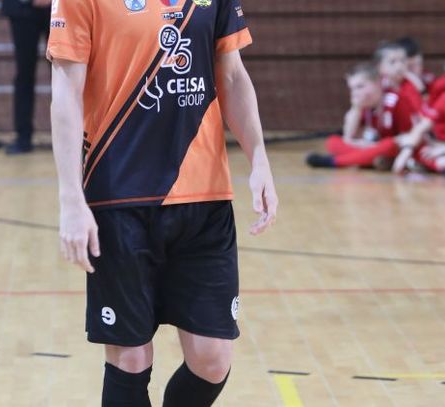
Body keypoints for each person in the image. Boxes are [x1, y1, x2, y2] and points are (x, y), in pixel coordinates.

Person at [47, 0, 278, 406]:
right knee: (130, 358)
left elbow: (232, 74)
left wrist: (258, 157)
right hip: (119, 196)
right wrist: (71, 198)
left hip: (206, 196)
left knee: (212, 360)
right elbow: (66, 91)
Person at [306, 62, 418, 169]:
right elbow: (348, 137)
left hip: (399, 149)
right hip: (375, 150)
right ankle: (368, 160)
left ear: (377, 82)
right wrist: (356, 108)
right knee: (332, 142)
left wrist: (373, 146)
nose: (355, 93)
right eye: (352, 89)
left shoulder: (395, 100)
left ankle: (334, 162)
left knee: (389, 145)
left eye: (360, 86)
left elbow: (407, 137)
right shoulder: (364, 105)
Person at [1, 0, 52, 154]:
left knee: (65, 76)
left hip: (59, 9)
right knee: (24, 74)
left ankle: (72, 137)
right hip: (21, 8)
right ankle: (23, 138)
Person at [392, 91, 445, 175]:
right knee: (417, 147)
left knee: (442, 162)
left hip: (443, 150)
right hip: (439, 145)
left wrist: (442, 150)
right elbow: (422, 126)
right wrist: (407, 150)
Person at [374, 41, 423, 111]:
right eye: (392, 62)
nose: (399, 66)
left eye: (403, 61)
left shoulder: (411, 84)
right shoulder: (375, 87)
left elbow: (420, 111)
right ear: (380, 67)